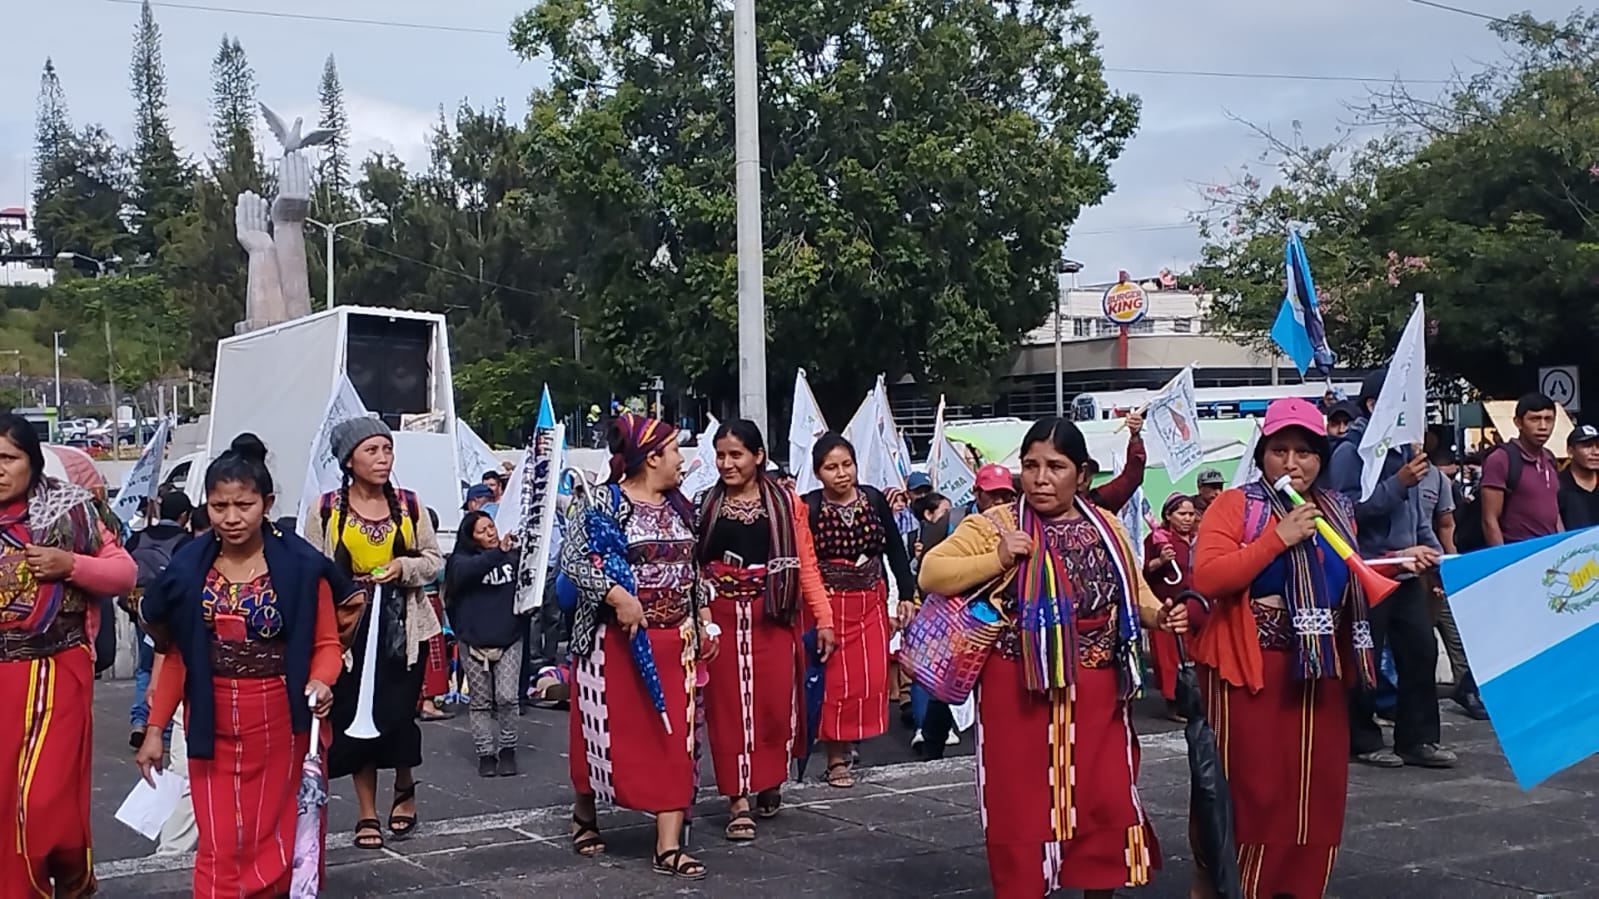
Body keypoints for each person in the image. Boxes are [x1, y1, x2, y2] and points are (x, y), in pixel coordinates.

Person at [919, 416, 1185, 898]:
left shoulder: (1106, 527)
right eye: (1031, 465)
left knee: (1102, 797)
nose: (1041, 478)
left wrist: (1160, 618)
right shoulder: (995, 524)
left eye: (1056, 466)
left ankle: (1096, 889)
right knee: (1020, 801)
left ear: (1082, 475)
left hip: (1097, 689)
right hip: (1017, 688)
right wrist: (997, 558)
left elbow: (1134, 593)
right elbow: (931, 573)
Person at [1187, 397, 1392, 899]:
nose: (1292, 463)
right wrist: (1275, 539)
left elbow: (1345, 577)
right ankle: (1229, 886)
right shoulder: (1236, 505)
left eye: (1305, 451)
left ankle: (1297, 888)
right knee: (1254, 791)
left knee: (1315, 794)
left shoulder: (1337, 510)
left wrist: (1401, 563)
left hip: (1318, 671)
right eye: (1280, 450)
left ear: (1321, 458)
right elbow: (1209, 576)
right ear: (1262, 455)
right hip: (1250, 670)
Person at [137, 434, 345, 897]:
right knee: (218, 838)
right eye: (218, 506)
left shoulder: (300, 566)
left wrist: (321, 680)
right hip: (208, 712)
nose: (231, 518)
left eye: (244, 505)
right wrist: (154, 730)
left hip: (278, 714)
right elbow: (177, 654)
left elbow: (327, 643)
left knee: (273, 830)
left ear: (267, 503)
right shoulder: (190, 567)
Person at [559, 411, 707, 879]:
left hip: (674, 640)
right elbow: (573, 559)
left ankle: (667, 844)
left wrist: (703, 614)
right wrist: (617, 595)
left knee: (673, 739)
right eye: (675, 451)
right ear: (652, 457)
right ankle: (586, 811)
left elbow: (693, 569)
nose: (682, 460)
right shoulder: (602, 504)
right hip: (613, 645)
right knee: (601, 734)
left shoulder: (683, 507)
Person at [0, 413, 135, 895]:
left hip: (55, 671)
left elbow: (124, 572)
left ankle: (67, 875)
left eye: (7, 458)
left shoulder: (70, 509)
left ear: (32, 462)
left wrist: (70, 564)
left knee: (41, 804)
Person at [301, 416, 444, 851]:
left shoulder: (409, 505)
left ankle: (404, 783)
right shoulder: (326, 509)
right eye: (371, 451)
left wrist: (404, 568)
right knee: (353, 719)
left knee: (398, 715)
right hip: (349, 633)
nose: (383, 459)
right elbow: (310, 570)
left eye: (387, 450)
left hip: (403, 628)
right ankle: (367, 812)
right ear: (349, 460)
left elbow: (434, 559)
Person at [694, 419, 833, 839]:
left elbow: (805, 564)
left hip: (772, 615)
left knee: (774, 706)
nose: (727, 463)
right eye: (721, 455)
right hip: (719, 615)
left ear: (759, 457)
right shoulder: (704, 504)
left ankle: (769, 778)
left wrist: (824, 618)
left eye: (736, 455)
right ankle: (737, 799)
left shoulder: (788, 505)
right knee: (727, 711)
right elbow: (695, 565)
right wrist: (700, 617)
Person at [1328, 371, 1450, 769]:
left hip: (1409, 572)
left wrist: (1433, 557)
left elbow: (1419, 517)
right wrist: (1397, 483)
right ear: (1372, 405)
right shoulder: (1352, 451)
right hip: (1369, 572)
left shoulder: (1408, 451)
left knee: (1421, 652)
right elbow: (1347, 513)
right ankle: (1361, 737)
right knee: (1364, 657)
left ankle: (1418, 739)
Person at [803, 433, 914, 788]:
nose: (841, 473)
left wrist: (907, 593)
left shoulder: (874, 500)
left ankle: (851, 739)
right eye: (831, 467)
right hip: (830, 604)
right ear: (818, 472)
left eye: (846, 464)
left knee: (868, 678)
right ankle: (836, 759)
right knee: (835, 682)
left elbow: (895, 548)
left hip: (870, 601)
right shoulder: (810, 507)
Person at [445, 510, 526, 778]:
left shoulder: (512, 558)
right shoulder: (459, 561)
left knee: (507, 696)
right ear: (470, 537)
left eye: (491, 527)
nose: (490, 533)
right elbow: (465, 573)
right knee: (479, 701)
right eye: (482, 531)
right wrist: (497, 553)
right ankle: (485, 753)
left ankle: (508, 750)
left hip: (509, 636)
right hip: (473, 639)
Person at [126, 491, 194, 748]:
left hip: (140, 609)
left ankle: (139, 719)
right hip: (170, 613)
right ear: (184, 516)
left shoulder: (138, 537)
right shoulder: (185, 544)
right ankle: (161, 726)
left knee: (144, 667)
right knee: (165, 662)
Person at [1142, 493, 1202, 721]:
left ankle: (1193, 698)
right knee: (1168, 658)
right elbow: (1144, 572)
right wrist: (1161, 562)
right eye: (1182, 514)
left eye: (1191, 514)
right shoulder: (1157, 540)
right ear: (1169, 515)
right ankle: (1173, 702)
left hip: (1193, 605)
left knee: (1191, 654)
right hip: (1166, 606)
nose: (1188, 519)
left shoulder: (1199, 538)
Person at [1481, 392, 1562, 545]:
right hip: (1518, 552)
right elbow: (1489, 519)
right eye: (1535, 419)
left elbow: (1555, 513)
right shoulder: (1501, 458)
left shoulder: (1550, 459)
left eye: (1548, 419)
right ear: (1518, 422)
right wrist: (1503, 562)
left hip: (1550, 553)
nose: (1543, 426)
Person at [1076, 410, 1146, 514]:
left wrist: (1135, 436)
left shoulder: (1099, 502)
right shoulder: (1045, 509)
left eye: (1088, 473)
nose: (1084, 480)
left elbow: (1131, 477)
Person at [1558, 424, 1599, 530]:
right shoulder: (1557, 485)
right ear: (1571, 452)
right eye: (1588, 446)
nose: (1596, 452)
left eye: (1598, 446)